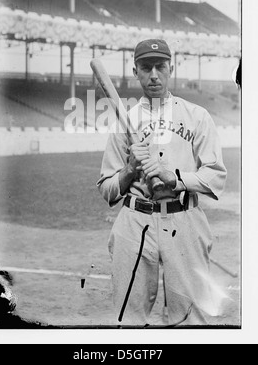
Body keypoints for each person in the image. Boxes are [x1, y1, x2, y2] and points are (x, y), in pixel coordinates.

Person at [97, 38, 227, 326]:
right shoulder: (124, 121)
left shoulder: (197, 116)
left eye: (160, 66)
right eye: (146, 67)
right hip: (135, 220)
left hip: (184, 219)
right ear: (136, 71)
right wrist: (130, 170)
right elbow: (107, 189)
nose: (153, 74)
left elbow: (216, 175)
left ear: (171, 68)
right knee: (128, 320)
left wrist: (177, 178)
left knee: (190, 320)